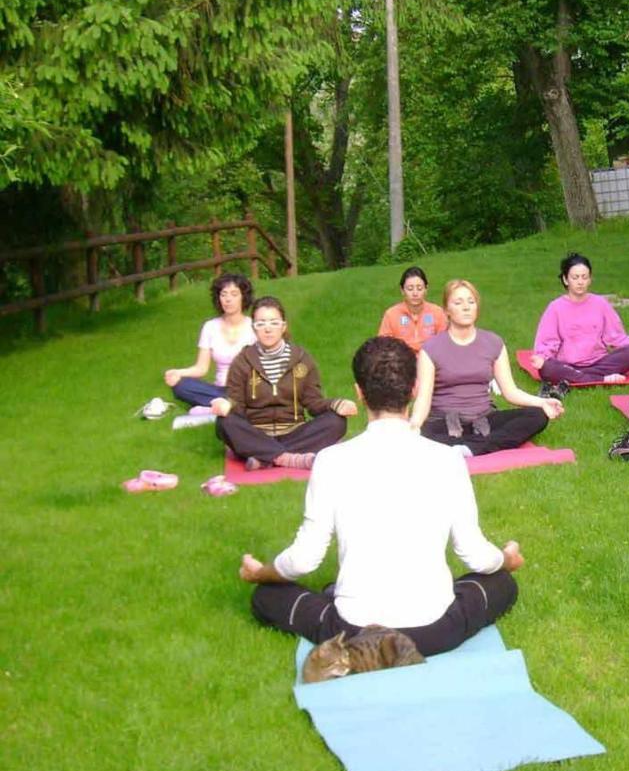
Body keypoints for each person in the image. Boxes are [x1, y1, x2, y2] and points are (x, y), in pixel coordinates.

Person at [238, 337, 522, 655]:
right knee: (501, 583)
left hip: (354, 631)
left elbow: (305, 559)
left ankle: (346, 613)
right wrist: (505, 559)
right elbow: (473, 553)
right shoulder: (448, 459)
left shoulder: (331, 461)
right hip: (434, 631)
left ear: (359, 393)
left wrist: (260, 572)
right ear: (414, 390)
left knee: (266, 596)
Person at [412, 279, 563, 457]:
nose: (466, 307)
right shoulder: (431, 349)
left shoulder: (493, 342)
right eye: (458, 303)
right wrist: (414, 425)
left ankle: (467, 448)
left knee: (538, 416)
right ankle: (480, 445)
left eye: (471, 302)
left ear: (477, 307)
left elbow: (511, 392)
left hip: (484, 420)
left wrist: (543, 402)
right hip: (444, 423)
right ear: (447, 310)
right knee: (421, 434)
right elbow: (423, 399)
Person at [212, 296, 356, 470]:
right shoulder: (241, 362)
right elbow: (237, 404)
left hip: (295, 433)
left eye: (274, 322)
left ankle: (263, 457)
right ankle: (289, 459)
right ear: (254, 328)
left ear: (283, 326)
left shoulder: (302, 359)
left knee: (337, 422)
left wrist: (336, 404)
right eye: (261, 323)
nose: (267, 329)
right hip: (256, 432)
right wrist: (226, 404)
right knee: (224, 423)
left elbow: (313, 402)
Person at [530, 252, 629, 384]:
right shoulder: (555, 307)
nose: (580, 282)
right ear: (565, 279)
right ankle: (601, 379)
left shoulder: (600, 303)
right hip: (568, 365)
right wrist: (542, 357)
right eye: (575, 278)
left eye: (584, 277)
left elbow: (615, 337)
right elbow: (548, 341)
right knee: (548, 369)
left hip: (599, 363)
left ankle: (579, 377)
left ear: (589, 279)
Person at [163, 272, 256, 408]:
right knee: (181, 386)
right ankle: (224, 403)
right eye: (223, 295)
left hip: (247, 388)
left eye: (234, 294)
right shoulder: (210, 327)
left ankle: (224, 405)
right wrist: (178, 373)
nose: (228, 299)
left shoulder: (255, 326)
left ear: (243, 297)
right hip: (219, 390)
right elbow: (201, 368)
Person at [378, 265, 447, 352]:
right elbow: (383, 345)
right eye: (410, 289)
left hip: (430, 361)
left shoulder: (437, 313)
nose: (415, 293)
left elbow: (445, 344)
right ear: (402, 290)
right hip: (401, 362)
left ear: (426, 289)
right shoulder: (391, 314)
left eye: (419, 288)